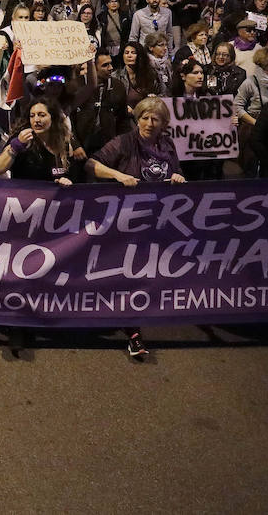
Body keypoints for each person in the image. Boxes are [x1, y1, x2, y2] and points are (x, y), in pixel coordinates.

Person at [88, 96, 186, 360]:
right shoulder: (124, 142)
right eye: (145, 117)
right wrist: (118, 175)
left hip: (157, 221)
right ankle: (133, 331)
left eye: (155, 119)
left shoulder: (168, 145)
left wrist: (178, 177)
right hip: (124, 221)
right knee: (127, 274)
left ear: (164, 123)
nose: (149, 123)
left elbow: (176, 174)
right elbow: (91, 164)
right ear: (137, 118)